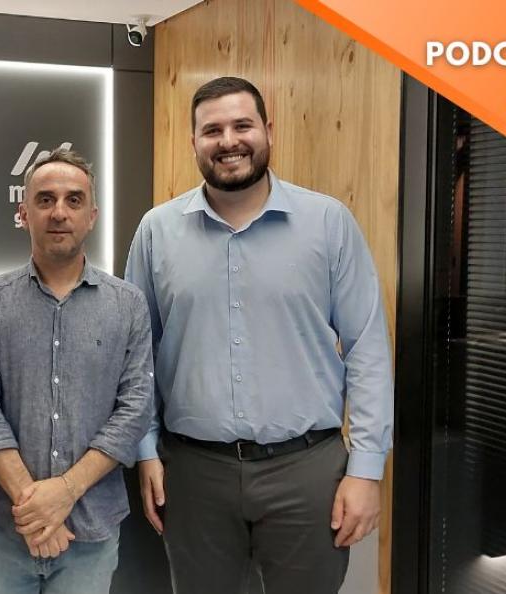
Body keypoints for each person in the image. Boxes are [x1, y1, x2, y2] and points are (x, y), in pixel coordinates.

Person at [125, 76, 393, 594]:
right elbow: (137, 358)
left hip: (307, 471)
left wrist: (366, 470)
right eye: (212, 130)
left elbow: (368, 350)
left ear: (269, 130)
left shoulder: (328, 223)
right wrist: (146, 451)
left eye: (242, 125)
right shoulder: (156, 232)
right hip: (194, 475)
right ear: (194, 141)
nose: (228, 141)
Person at [0, 148, 153, 594]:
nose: (59, 212)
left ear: (92, 215)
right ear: (23, 213)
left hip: (92, 532)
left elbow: (135, 411)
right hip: (5, 531)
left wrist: (64, 492)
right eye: (45, 200)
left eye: (73, 200)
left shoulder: (128, 305)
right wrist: (36, 511)